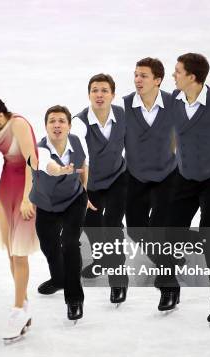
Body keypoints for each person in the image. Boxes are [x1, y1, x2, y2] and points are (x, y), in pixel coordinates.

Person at [0, 96, 39, 340]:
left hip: (26, 188)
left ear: (1, 116)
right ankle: (22, 304)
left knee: (20, 252)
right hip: (5, 190)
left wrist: (27, 198)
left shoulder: (18, 124)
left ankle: (17, 310)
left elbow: (31, 161)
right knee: (10, 252)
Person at [122, 57, 180, 312]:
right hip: (134, 177)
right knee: (135, 230)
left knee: (157, 231)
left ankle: (169, 285)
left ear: (158, 80)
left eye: (143, 75)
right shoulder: (124, 106)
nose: (137, 80)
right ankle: (168, 262)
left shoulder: (174, 104)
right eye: (136, 75)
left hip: (167, 176)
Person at [29, 105, 89, 322]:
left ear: (69, 125)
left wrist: (86, 191)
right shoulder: (39, 149)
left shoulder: (78, 141)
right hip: (46, 204)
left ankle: (74, 299)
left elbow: (84, 164)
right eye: (52, 121)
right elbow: (48, 166)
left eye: (61, 121)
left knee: (70, 243)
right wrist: (60, 170)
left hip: (74, 200)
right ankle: (58, 279)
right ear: (45, 126)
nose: (57, 125)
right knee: (49, 246)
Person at [73, 73, 128, 306]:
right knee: (92, 226)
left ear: (112, 95)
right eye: (95, 90)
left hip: (118, 178)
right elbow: (78, 157)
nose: (99, 94)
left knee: (112, 226)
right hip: (91, 184)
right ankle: (102, 260)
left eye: (104, 90)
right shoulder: (79, 122)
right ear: (89, 94)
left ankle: (118, 279)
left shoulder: (124, 116)